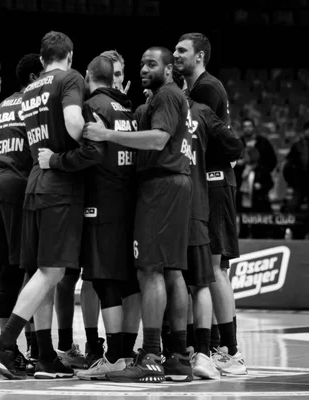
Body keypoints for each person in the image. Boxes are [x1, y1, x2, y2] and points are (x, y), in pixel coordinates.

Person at [83, 46, 193, 383]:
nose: (143, 69)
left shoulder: (167, 97)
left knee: (150, 271)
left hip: (161, 186)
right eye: (142, 63)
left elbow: (159, 139)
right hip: (171, 185)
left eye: (151, 64)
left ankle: (151, 355)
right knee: (170, 271)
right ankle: (176, 356)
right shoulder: (161, 99)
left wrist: (106, 134)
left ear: (170, 69)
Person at [0, 31, 85, 380]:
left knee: (42, 271)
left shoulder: (28, 90)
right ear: (69, 55)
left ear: (41, 59)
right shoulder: (71, 78)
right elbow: (73, 125)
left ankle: (43, 355)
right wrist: (94, 135)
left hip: (34, 185)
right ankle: (4, 343)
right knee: (51, 272)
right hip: (58, 184)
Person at [37, 51, 140, 380]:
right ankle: (125, 350)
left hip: (102, 201)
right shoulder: (127, 108)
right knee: (126, 281)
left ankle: (113, 356)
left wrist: (54, 160)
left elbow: (91, 152)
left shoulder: (94, 106)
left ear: (88, 78)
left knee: (104, 279)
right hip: (128, 201)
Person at [174, 32, 247, 375]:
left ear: (199, 56)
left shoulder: (206, 89)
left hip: (215, 184)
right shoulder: (194, 89)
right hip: (211, 184)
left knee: (215, 268)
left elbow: (219, 141)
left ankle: (230, 352)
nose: (176, 54)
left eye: (182, 50)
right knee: (211, 269)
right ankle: (214, 343)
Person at [0, 53, 44, 369]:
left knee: (8, 273)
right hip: (19, 186)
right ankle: (31, 346)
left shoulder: (0, 107)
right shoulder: (33, 106)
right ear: (34, 78)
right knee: (31, 268)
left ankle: (13, 348)